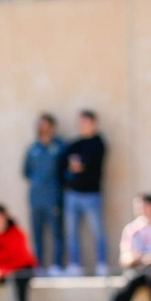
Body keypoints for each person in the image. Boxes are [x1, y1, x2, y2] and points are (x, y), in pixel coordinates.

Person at [61, 110, 107, 275]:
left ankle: (102, 264)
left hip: (91, 195)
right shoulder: (74, 144)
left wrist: (79, 165)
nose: (82, 126)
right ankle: (75, 264)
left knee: (98, 231)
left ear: (93, 123)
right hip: (72, 194)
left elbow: (86, 164)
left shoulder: (98, 143)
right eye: (80, 123)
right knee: (71, 232)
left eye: (86, 122)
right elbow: (65, 164)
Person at [23, 113, 66, 275]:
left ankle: (57, 265)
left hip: (53, 197)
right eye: (40, 124)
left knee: (56, 233)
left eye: (46, 124)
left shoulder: (59, 147)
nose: (43, 128)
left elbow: (65, 171)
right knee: (37, 234)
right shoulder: (33, 148)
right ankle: (38, 265)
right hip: (35, 199)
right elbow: (26, 171)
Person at [112, 194, 151, 301]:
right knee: (127, 285)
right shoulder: (132, 229)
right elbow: (126, 257)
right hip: (139, 270)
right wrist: (142, 259)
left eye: (144, 206)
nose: (141, 210)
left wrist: (146, 258)